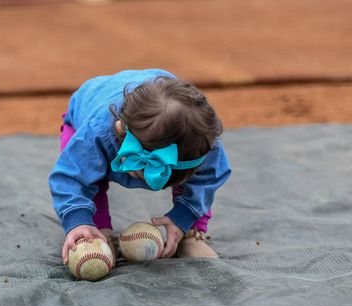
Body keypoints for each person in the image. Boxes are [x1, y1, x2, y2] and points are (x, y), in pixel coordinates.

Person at [49, 69, 231, 266]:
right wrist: (77, 221)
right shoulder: (95, 133)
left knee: (194, 187)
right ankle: (98, 233)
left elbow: (207, 179)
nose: (148, 177)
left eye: (160, 173)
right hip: (85, 110)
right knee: (90, 172)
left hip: (163, 116)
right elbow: (71, 178)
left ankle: (191, 233)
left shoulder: (203, 143)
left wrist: (183, 217)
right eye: (145, 169)